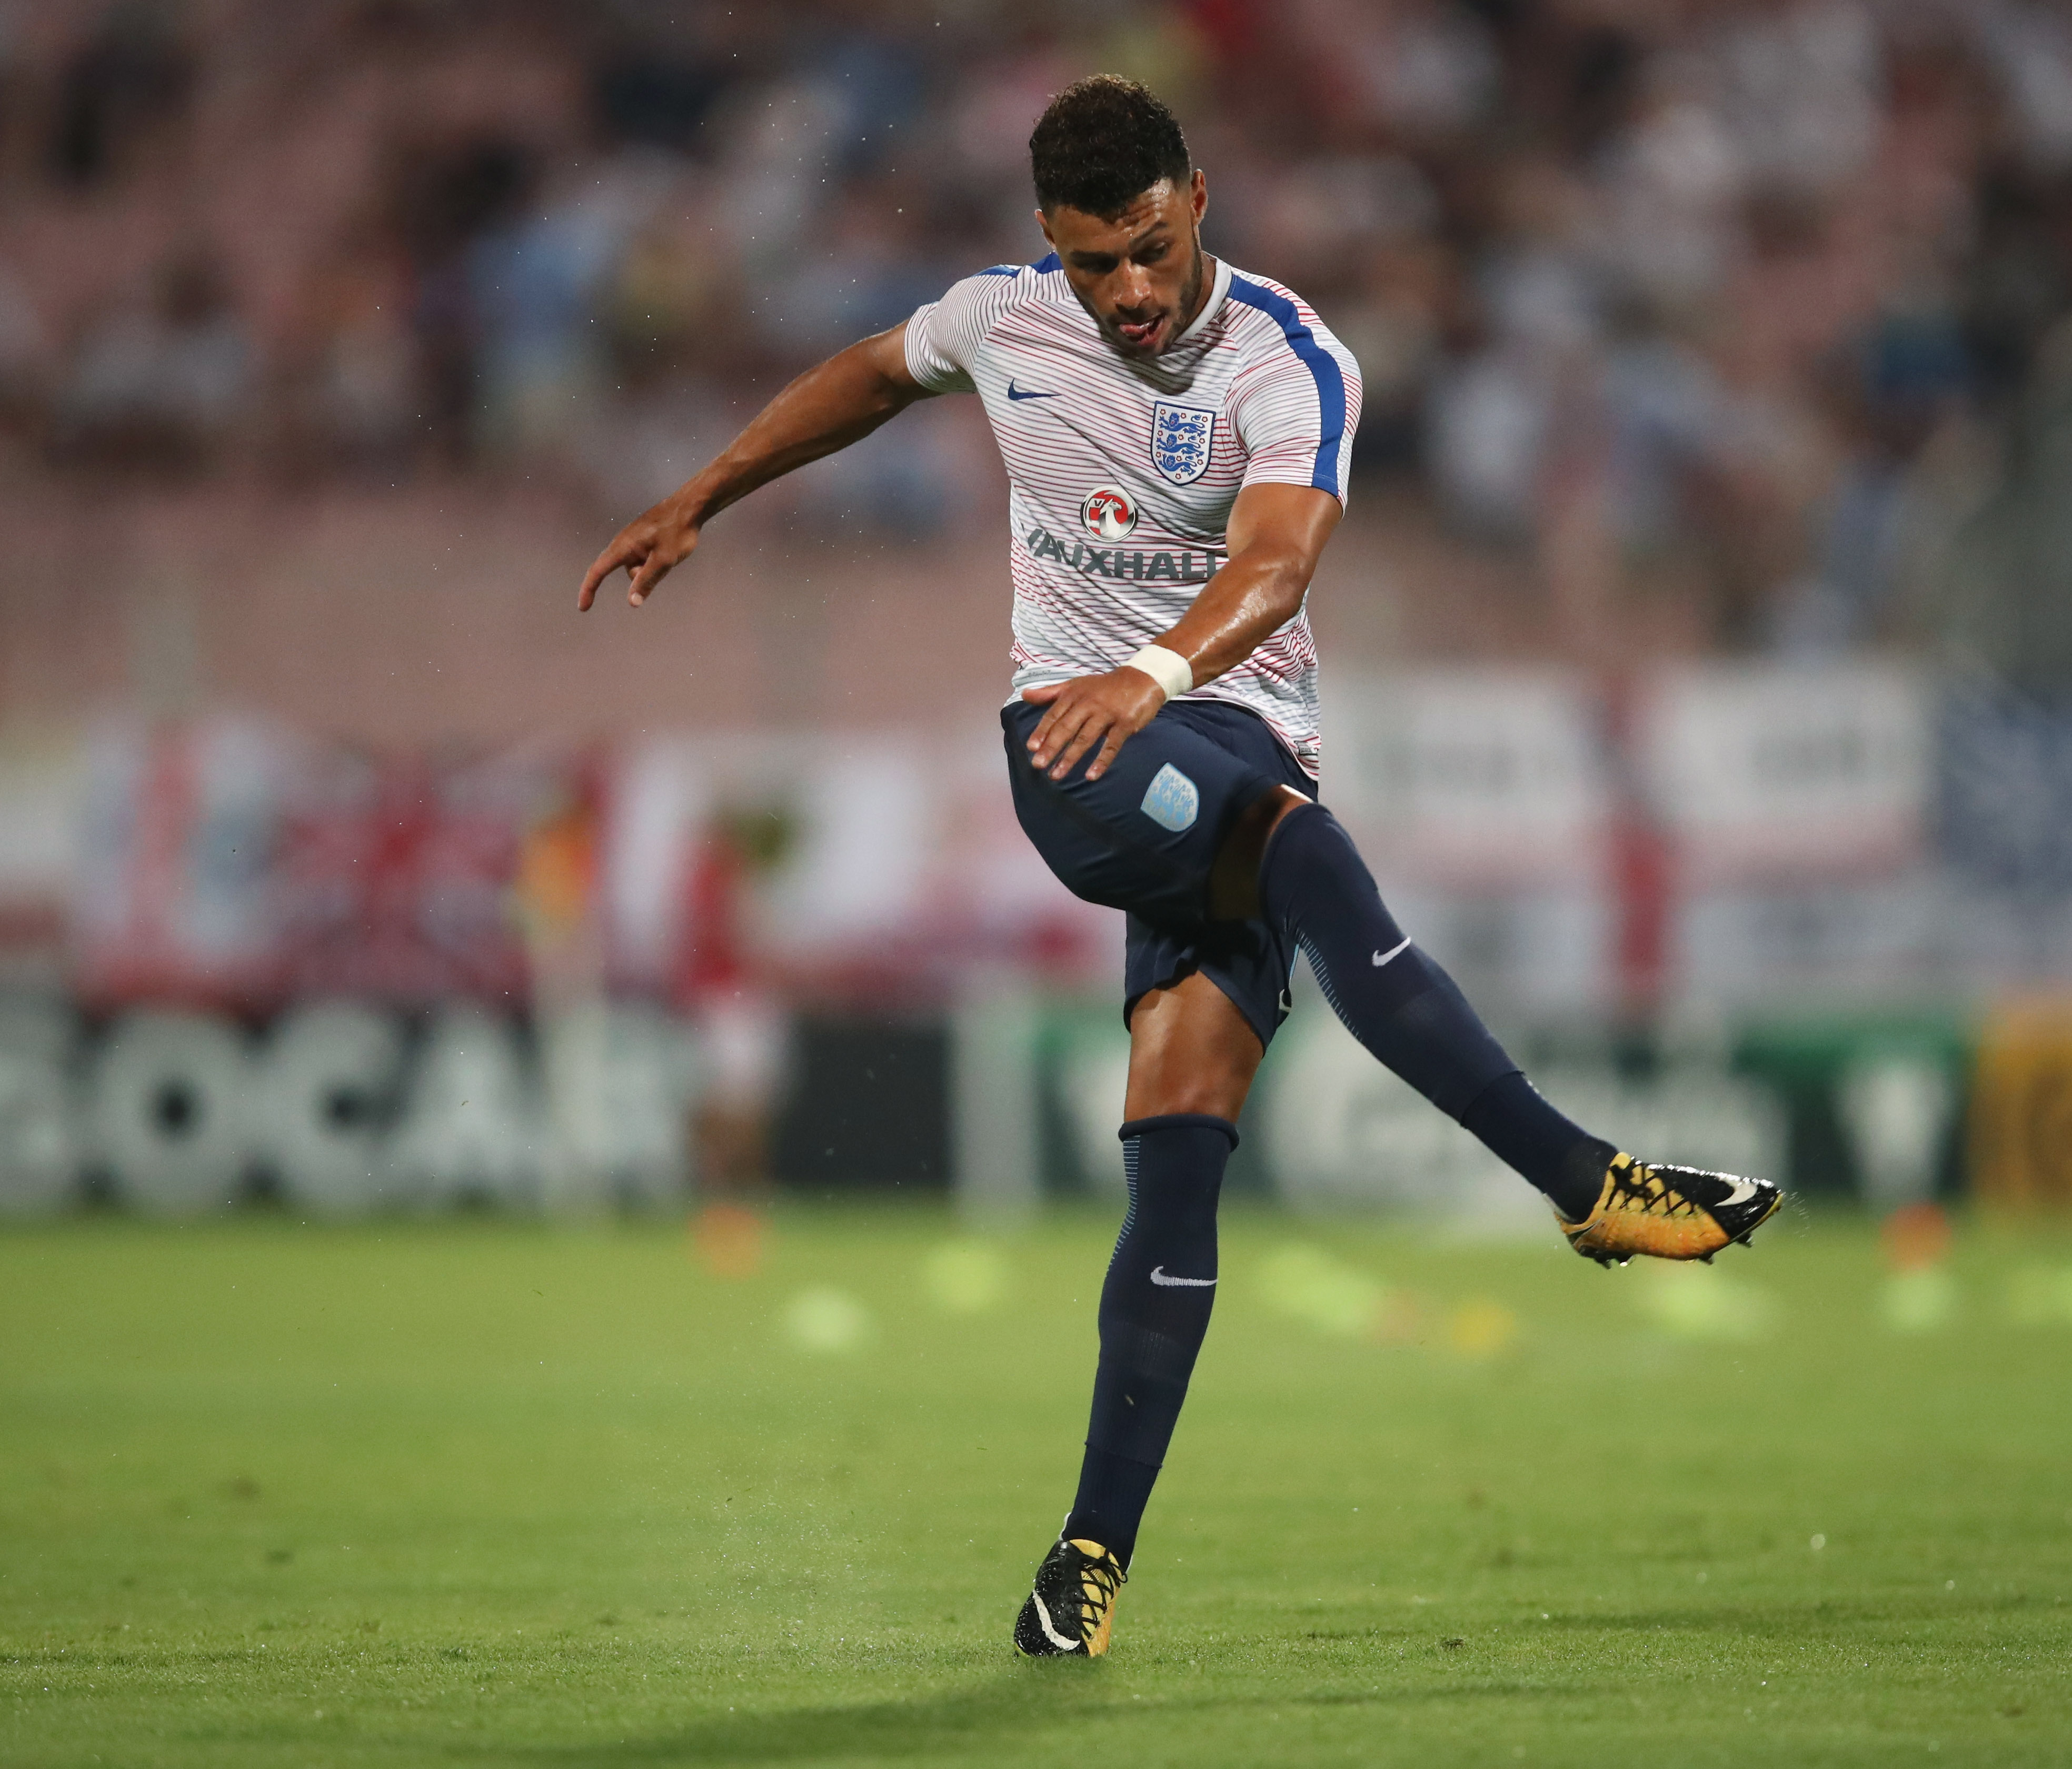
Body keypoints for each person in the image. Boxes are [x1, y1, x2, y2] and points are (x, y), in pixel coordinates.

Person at [576, 74, 1780, 1662]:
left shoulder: (1291, 359)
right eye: (1093, 264)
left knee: (1181, 1134)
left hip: (1211, 732)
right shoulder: (1003, 324)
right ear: (1048, 250)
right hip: (1075, 757)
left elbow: (1278, 566)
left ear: (1196, 201)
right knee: (1310, 866)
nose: (1128, 293)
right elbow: (872, 376)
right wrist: (700, 495)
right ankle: (1584, 1188)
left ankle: (1082, 1561)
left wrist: (1155, 666)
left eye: (1147, 248)